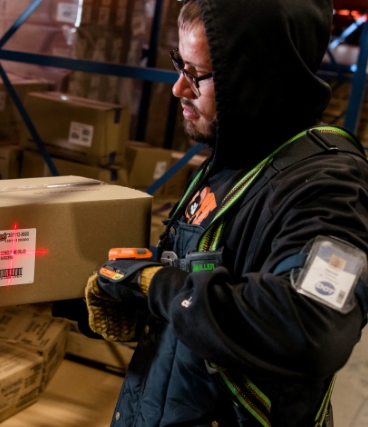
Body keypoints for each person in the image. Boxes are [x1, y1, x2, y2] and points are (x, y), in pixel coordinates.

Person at [56, 0, 368, 426]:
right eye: (178, 65)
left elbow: (312, 326)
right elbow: (202, 287)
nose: (177, 89)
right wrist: (117, 296)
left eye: (197, 75)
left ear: (260, 77)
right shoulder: (233, 159)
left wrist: (161, 287)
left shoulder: (329, 188)